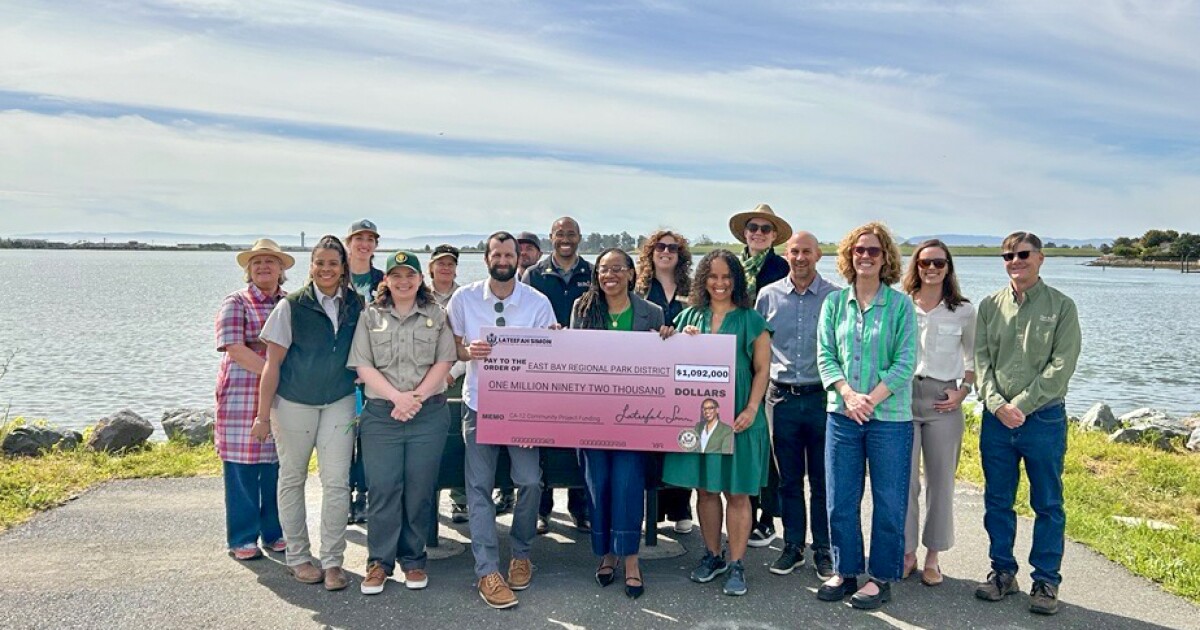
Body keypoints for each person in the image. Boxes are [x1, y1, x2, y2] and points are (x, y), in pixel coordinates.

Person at [447, 231, 557, 609]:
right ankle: (487, 570)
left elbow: (550, 356)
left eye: (510, 254)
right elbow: (452, 346)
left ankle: (521, 553)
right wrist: (469, 351)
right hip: (479, 404)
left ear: (518, 259)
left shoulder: (537, 302)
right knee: (478, 487)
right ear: (487, 258)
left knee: (529, 481)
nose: (504, 260)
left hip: (523, 408)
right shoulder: (464, 299)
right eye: (497, 254)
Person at [973, 232, 1080, 616]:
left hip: (1044, 419)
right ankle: (1003, 572)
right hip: (996, 422)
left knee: (1047, 502)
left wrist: (1020, 406)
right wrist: (997, 404)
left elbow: (1061, 365)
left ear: (1040, 258)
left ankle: (1046, 581)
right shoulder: (989, 306)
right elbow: (981, 361)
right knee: (998, 500)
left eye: (1022, 254)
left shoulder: (1062, 307)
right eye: (1008, 256)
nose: (1015, 261)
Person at [815, 221, 916, 611]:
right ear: (849, 255)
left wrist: (868, 400)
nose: (866, 256)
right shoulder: (834, 304)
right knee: (840, 499)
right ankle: (845, 571)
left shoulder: (900, 305)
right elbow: (826, 355)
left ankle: (881, 578)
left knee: (889, 500)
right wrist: (847, 395)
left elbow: (905, 361)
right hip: (842, 415)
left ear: (885, 257)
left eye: (874, 250)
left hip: (889, 419)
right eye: (859, 250)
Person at [254, 235, 364, 591]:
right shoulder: (290, 307)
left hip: (339, 401)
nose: (326, 269)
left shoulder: (356, 304)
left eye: (333, 263)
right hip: (293, 403)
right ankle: (298, 557)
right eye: (320, 263)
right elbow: (271, 365)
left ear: (343, 268)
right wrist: (261, 417)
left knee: (337, 482)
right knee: (292, 477)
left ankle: (332, 562)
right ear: (311, 266)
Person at [662, 249, 772, 597]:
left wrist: (752, 408)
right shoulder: (688, 315)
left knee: (737, 492)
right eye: (712, 276)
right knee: (706, 490)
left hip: (740, 416)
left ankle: (737, 563)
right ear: (702, 279)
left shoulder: (752, 320)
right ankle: (713, 555)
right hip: (702, 418)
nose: (719, 283)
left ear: (736, 280)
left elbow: (762, 370)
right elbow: (669, 359)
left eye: (726, 277)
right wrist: (678, 339)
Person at [348, 251, 457, 595]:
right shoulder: (370, 316)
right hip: (383, 415)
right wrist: (398, 398)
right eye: (396, 275)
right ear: (386, 280)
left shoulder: (436, 315)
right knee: (383, 489)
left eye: (410, 275)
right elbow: (363, 366)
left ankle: (413, 559)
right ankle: (379, 563)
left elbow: (444, 361)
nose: (404, 281)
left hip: (428, 414)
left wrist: (415, 399)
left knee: (419, 489)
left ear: (420, 279)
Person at [570, 248, 667, 600]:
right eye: (602, 269)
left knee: (628, 485)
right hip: (591, 416)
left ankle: (631, 560)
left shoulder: (651, 312)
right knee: (599, 485)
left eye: (616, 269)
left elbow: (664, 362)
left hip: (634, 420)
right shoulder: (582, 308)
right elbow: (572, 358)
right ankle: (606, 554)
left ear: (630, 273)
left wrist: (671, 337)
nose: (608, 275)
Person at [754, 231, 840, 579]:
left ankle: (823, 548)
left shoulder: (835, 297)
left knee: (822, 479)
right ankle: (792, 546)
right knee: (788, 480)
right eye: (794, 252)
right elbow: (757, 348)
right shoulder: (768, 296)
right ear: (786, 255)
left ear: (818, 255)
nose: (800, 258)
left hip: (822, 397)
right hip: (781, 398)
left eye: (807, 251)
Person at [901, 239, 976, 586]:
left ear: (948, 268)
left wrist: (963, 391)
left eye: (939, 263)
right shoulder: (901, 304)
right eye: (925, 262)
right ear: (916, 266)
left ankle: (933, 557)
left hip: (942, 400)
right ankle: (907, 553)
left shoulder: (963, 310)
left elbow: (974, 358)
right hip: (903, 398)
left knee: (941, 482)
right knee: (904, 481)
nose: (931, 268)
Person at [215, 238, 293, 561]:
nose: (263, 266)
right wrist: (272, 373)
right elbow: (234, 348)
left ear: (280, 269)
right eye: (257, 262)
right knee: (242, 467)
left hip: (282, 396)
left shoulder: (289, 303)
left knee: (276, 465)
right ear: (249, 269)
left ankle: (274, 532)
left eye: (270, 261)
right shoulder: (236, 302)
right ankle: (242, 536)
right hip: (241, 393)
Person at [523, 217, 593, 534]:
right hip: (543, 368)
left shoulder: (592, 272)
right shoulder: (533, 274)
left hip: (583, 367)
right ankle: (542, 510)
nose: (565, 239)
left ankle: (581, 509)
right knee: (541, 441)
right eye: (560, 234)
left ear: (579, 237)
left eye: (571, 234)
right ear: (551, 237)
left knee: (582, 439)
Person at [728, 203, 791, 547]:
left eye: (766, 229)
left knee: (766, 445)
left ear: (774, 236)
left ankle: (768, 517)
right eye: (753, 227)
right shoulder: (732, 267)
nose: (758, 234)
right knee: (741, 440)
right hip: (736, 359)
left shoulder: (782, 268)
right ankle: (745, 513)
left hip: (770, 358)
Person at [635, 229, 695, 534]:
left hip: (685, 376)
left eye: (673, 248)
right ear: (651, 252)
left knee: (684, 440)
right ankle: (653, 510)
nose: (666, 252)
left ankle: (681, 507)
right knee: (651, 444)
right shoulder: (639, 287)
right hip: (649, 376)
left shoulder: (693, 288)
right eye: (660, 246)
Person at [428, 243, 471, 523]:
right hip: (422, 378)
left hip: (456, 376)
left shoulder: (466, 297)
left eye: (450, 263)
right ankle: (427, 500)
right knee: (429, 441)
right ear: (431, 267)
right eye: (440, 263)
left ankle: (460, 500)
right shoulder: (419, 294)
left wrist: (452, 372)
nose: (445, 268)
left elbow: (470, 341)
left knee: (458, 440)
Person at [345, 219, 383, 524]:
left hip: (375, 370)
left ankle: (365, 495)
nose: (364, 244)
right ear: (349, 243)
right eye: (359, 238)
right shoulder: (334, 275)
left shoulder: (383, 280)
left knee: (370, 438)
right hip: (341, 371)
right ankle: (343, 495)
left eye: (370, 239)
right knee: (344, 438)